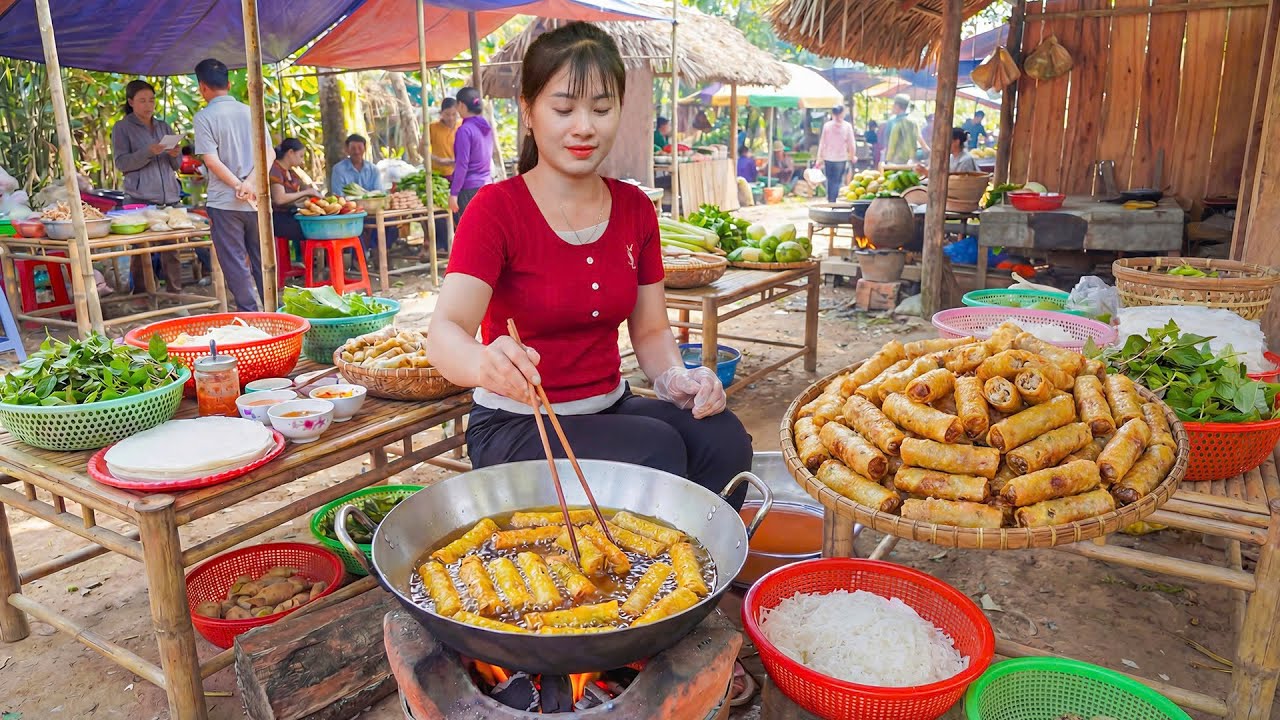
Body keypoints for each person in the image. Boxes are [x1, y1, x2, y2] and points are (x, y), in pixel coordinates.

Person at [425, 21, 752, 517]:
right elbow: (445, 332)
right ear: (528, 111)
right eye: (564, 109)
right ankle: (644, 564)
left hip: (607, 406)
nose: (584, 127)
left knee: (722, 440)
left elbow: (652, 330)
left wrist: (675, 378)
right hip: (519, 424)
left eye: (601, 109)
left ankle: (700, 560)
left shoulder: (635, 209)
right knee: (654, 453)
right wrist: (482, 363)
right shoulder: (495, 209)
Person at [193, 58, 273, 312]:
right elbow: (269, 153)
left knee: (235, 263)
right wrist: (251, 183)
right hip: (258, 199)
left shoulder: (204, 117)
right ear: (229, 84)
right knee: (263, 259)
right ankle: (276, 313)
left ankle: (251, 315)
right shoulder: (252, 111)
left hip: (225, 203)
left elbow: (211, 160)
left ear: (202, 87)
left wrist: (240, 185)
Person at [111, 79, 184, 294]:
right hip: (139, 197)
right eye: (142, 100)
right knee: (142, 250)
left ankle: (175, 293)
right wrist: (148, 152)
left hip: (169, 196)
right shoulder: (122, 128)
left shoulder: (163, 126)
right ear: (131, 102)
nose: (148, 105)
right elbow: (122, 163)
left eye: (151, 100)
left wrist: (175, 154)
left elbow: (176, 165)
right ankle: (142, 294)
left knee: (172, 249)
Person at [331, 134, 395, 256]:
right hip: (350, 213)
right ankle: (360, 258)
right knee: (356, 226)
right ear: (347, 149)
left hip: (372, 211)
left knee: (391, 222)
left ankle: (379, 252)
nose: (356, 152)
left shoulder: (373, 169)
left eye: (360, 148)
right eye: (353, 148)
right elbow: (338, 196)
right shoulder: (338, 169)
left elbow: (379, 193)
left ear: (364, 149)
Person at [269, 138, 321, 262]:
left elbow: (305, 188)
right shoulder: (275, 170)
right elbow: (280, 199)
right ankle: (310, 264)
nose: (302, 160)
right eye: (301, 156)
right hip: (278, 219)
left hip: (291, 215)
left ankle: (311, 264)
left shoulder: (291, 173)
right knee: (314, 230)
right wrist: (307, 192)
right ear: (290, 153)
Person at [449, 86, 494, 219]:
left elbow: (462, 164)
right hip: (487, 185)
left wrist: (454, 193)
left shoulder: (464, 130)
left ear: (462, 105)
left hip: (470, 190)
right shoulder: (485, 126)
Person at [428, 98, 461, 255]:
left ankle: (457, 244)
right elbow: (422, 150)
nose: (451, 118)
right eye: (447, 114)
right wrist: (438, 160)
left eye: (454, 114)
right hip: (438, 177)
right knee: (439, 212)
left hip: (457, 176)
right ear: (441, 113)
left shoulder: (462, 126)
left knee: (456, 210)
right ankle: (442, 245)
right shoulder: (432, 127)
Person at [816, 105, 856, 203]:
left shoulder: (827, 126)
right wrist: (852, 156)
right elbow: (851, 143)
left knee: (830, 180)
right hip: (841, 158)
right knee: (837, 181)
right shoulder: (847, 126)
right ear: (842, 113)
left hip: (828, 158)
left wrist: (819, 158)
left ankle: (830, 199)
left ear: (833, 113)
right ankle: (833, 200)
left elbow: (822, 143)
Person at [914, 128, 981, 176]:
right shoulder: (951, 158)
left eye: (947, 141)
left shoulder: (966, 160)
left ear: (956, 142)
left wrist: (928, 174)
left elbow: (958, 182)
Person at [883, 94, 921, 166]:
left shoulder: (893, 122)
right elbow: (917, 139)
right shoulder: (914, 122)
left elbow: (889, 143)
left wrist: (887, 160)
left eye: (893, 105)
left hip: (894, 161)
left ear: (897, 106)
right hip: (910, 161)